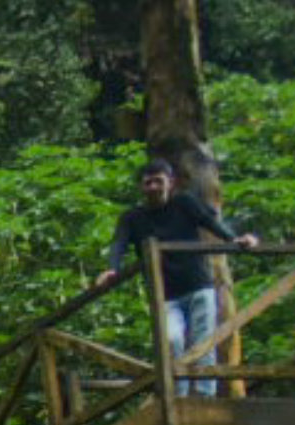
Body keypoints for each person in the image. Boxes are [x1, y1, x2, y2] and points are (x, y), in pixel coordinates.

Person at [90, 153, 258, 395]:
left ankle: (204, 394)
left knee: (203, 341)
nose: (153, 187)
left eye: (158, 181)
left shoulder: (185, 203)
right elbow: (119, 244)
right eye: (147, 182)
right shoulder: (133, 218)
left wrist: (235, 239)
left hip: (198, 285)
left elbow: (211, 223)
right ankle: (178, 394)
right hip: (165, 294)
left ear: (171, 182)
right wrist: (111, 269)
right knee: (172, 340)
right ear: (141, 187)